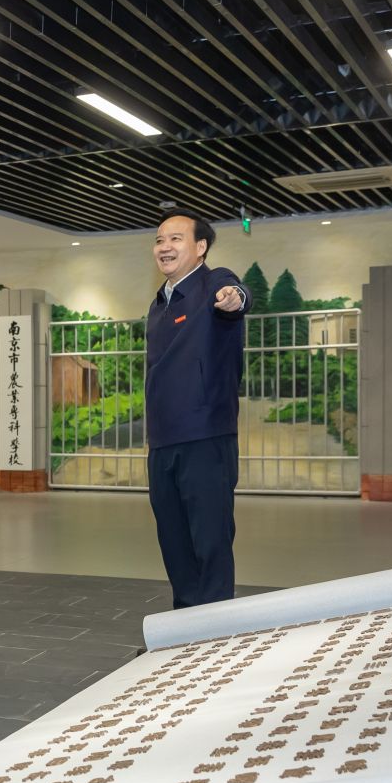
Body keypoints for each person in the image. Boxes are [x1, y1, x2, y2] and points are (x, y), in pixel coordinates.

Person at [143, 208, 248, 610]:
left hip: (206, 437)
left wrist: (235, 298)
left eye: (175, 239)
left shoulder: (213, 283)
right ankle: (186, 625)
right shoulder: (159, 304)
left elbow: (236, 294)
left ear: (200, 247)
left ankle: (216, 631)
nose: (164, 247)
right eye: (159, 240)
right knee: (174, 541)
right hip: (162, 441)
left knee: (210, 540)